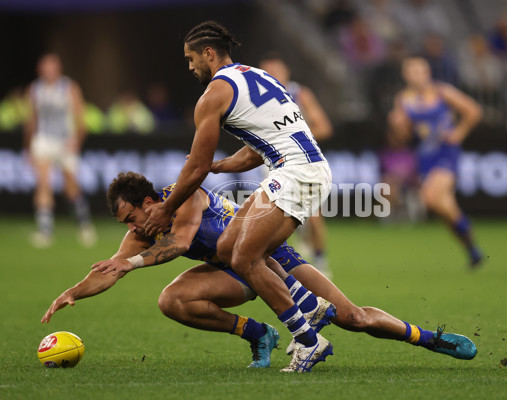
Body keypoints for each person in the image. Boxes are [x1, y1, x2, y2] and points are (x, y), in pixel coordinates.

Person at [41, 172, 478, 370]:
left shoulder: (185, 197)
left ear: (151, 202)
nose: (132, 229)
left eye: (131, 218)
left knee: (353, 318)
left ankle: (429, 338)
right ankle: (259, 335)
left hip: (271, 260)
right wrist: (74, 291)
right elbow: (113, 269)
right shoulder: (142, 232)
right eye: (126, 227)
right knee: (171, 300)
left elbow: (177, 244)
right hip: (234, 272)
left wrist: (132, 260)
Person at [127, 21, 332, 372]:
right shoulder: (257, 75)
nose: (190, 67)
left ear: (209, 53)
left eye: (191, 59)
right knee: (227, 248)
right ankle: (306, 302)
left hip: (294, 173)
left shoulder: (213, 95)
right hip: (302, 167)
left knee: (244, 258)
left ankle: (309, 340)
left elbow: (195, 166)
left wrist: (167, 209)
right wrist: (221, 167)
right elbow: (255, 151)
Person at [388, 56, 483, 268]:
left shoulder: (442, 92)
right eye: (412, 72)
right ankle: (470, 245)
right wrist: (397, 125)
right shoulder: (403, 99)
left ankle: (469, 240)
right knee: (444, 205)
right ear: (406, 75)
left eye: (420, 71)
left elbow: (473, 110)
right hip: (425, 155)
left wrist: (459, 132)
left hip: (446, 152)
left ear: (428, 72)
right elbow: (404, 136)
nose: (417, 76)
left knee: (430, 198)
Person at [259, 53, 333, 278]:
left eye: (277, 71)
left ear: (286, 73)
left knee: (314, 216)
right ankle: (283, 266)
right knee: (272, 218)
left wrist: (295, 140)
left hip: (300, 162)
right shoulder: (257, 100)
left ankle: (321, 262)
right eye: (268, 73)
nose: (273, 76)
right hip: (272, 164)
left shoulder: (300, 94)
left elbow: (324, 127)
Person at [24, 53, 96, 248]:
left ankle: (84, 224)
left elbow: (80, 117)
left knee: (71, 187)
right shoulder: (35, 89)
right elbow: (31, 120)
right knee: (43, 184)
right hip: (44, 140)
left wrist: (77, 141)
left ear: (58, 69)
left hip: (66, 141)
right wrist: (28, 147)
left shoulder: (69, 87)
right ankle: (45, 230)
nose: (48, 71)